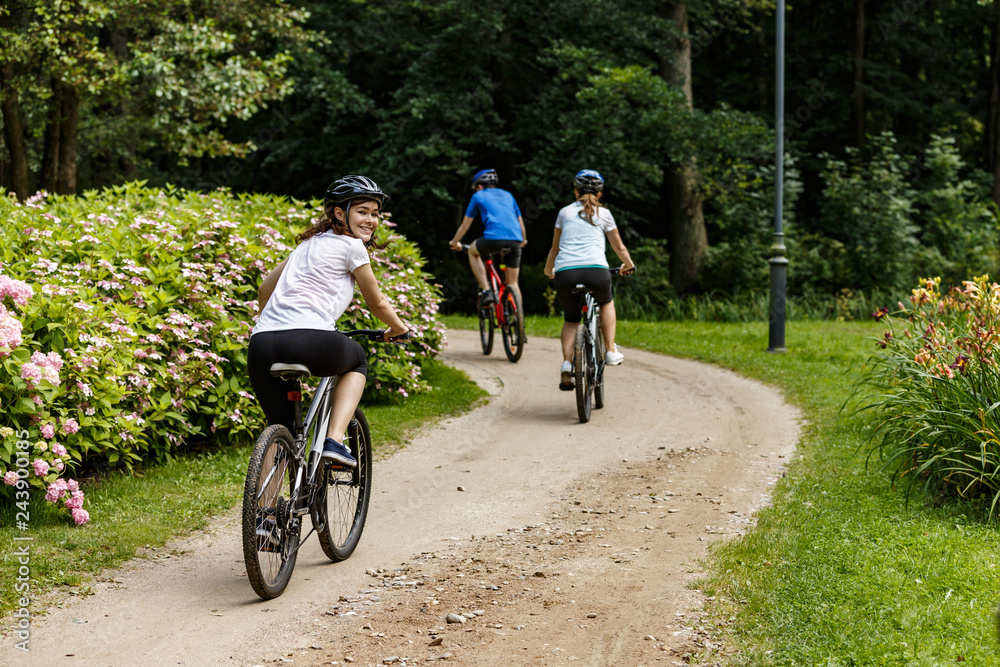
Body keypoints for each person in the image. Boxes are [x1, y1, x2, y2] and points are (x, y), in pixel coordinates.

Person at [248, 175, 409, 468]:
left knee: (282, 430)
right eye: (362, 211)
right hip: (311, 338)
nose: (371, 220)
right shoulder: (352, 246)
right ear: (339, 212)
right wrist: (398, 329)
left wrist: (277, 323)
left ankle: (266, 513)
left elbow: (263, 291)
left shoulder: (306, 245)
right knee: (357, 360)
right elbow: (377, 302)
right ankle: (334, 440)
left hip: (261, 343)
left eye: (375, 214)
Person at [543, 169, 635, 391]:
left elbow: (555, 248)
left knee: (571, 320)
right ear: (600, 194)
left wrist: (549, 271)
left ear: (576, 192)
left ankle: (567, 365)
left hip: (566, 273)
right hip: (596, 271)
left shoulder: (564, 213)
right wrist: (628, 264)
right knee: (606, 302)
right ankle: (611, 350)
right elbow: (618, 246)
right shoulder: (604, 214)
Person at [448, 168, 527, 309]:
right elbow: (520, 221)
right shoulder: (508, 195)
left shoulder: (478, 196)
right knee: (513, 283)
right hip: (516, 240)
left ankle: (487, 290)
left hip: (492, 239)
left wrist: (455, 242)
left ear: (479, 186)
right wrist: (523, 240)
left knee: (473, 252)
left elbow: (465, 225)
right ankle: (519, 322)